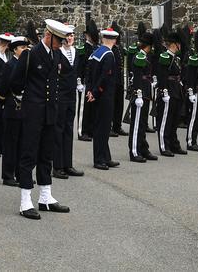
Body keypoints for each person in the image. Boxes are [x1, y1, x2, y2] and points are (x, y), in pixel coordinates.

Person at [11, 20, 70, 219]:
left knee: (47, 154)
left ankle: (45, 196)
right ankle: (25, 200)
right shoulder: (30, 54)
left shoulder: (56, 54)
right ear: (48, 35)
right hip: (33, 113)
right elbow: (15, 81)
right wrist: (25, 100)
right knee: (28, 155)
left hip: (49, 113)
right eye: (58, 40)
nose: (61, 44)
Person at [86, 23, 120, 170]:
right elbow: (104, 77)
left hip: (96, 93)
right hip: (104, 95)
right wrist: (95, 92)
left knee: (102, 127)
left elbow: (88, 73)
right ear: (114, 40)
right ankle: (99, 159)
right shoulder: (109, 55)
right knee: (102, 128)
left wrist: (90, 90)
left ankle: (106, 156)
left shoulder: (95, 53)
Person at [0, 36, 29, 185]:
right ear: (15, 50)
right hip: (12, 106)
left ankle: (20, 174)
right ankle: (8, 175)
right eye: (22, 48)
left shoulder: (27, 64)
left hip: (26, 108)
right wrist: (5, 101)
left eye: (26, 47)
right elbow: (2, 88)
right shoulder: (10, 65)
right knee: (10, 143)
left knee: (23, 143)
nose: (25, 50)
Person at [53, 31, 83, 178]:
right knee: (58, 129)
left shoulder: (75, 52)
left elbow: (77, 71)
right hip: (60, 95)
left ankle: (68, 164)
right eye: (67, 36)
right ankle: (57, 166)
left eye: (71, 35)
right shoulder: (57, 52)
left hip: (71, 95)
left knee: (69, 128)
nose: (70, 38)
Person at [127, 31, 157, 162]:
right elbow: (137, 77)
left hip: (146, 92)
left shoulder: (145, 57)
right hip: (140, 92)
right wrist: (138, 93)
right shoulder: (139, 57)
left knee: (143, 122)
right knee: (137, 123)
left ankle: (143, 147)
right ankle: (134, 150)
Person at [156, 29, 186, 156]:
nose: (180, 46)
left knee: (174, 120)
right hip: (168, 89)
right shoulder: (165, 57)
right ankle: (164, 146)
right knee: (165, 120)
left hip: (176, 90)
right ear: (174, 44)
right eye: (178, 44)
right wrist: (164, 91)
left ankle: (174, 144)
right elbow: (162, 76)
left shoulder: (176, 58)